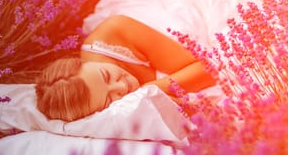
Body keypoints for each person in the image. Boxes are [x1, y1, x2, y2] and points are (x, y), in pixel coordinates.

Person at [35, 14, 216, 122]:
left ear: (83, 62)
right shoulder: (114, 115)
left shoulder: (116, 30)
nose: (121, 88)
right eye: (108, 99)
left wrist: (151, 89)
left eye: (106, 76)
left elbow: (209, 69)